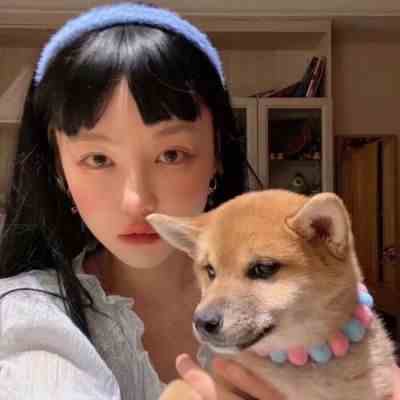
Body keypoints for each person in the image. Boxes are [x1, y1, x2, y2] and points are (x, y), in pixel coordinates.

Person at [0, 3, 398, 400]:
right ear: (59, 170)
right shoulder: (29, 315)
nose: (137, 201)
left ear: (218, 153)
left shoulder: (326, 314)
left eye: (171, 154)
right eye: (99, 159)